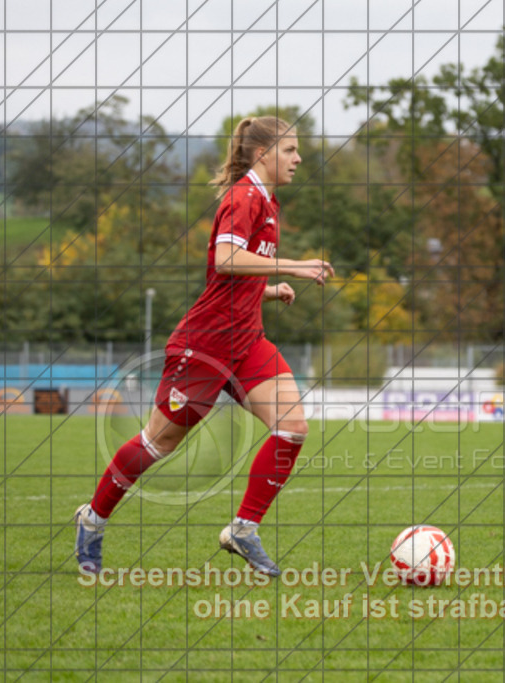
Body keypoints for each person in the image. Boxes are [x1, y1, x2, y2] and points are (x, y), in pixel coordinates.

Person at [74, 116, 334, 577]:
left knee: (292, 427)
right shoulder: (243, 196)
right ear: (262, 154)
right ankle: (93, 519)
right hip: (206, 346)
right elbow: (226, 259)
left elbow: (229, 277)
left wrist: (265, 291)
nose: (298, 158)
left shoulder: (268, 201)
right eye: (290, 149)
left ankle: (243, 530)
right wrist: (292, 267)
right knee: (158, 444)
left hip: (246, 342)